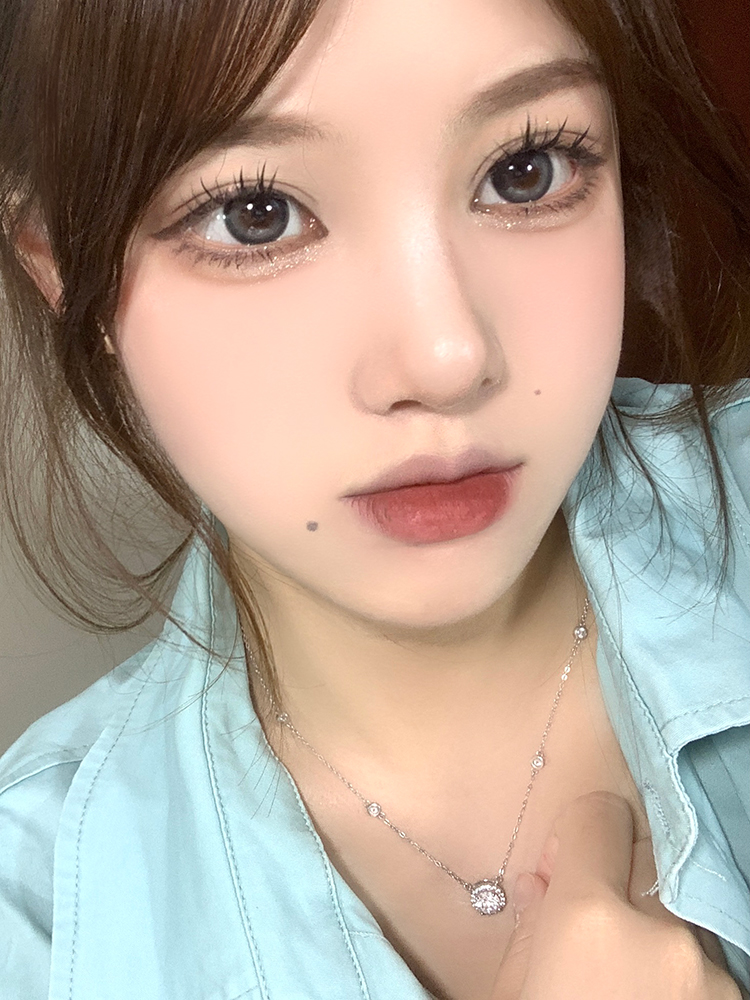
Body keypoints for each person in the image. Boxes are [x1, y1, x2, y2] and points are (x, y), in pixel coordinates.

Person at [0, 0, 748, 996]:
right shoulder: (40, 924)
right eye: (255, 213)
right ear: (63, 272)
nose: (448, 359)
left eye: (527, 169)